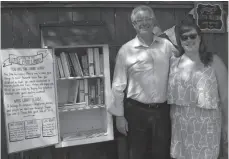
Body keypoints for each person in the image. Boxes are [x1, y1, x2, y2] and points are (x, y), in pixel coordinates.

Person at [108, 5, 179, 159]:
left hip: (162, 111)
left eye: (148, 18)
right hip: (136, 112)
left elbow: (181, 64)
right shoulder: (126, 50)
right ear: (134, 25)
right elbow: (118, 85)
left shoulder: (166, 46)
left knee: (162, 153)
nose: (144, 23)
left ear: (153, 21)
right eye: (139, 20)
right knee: (137, 153)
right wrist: (119, 116)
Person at [167, 18, 228, 159]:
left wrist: (227, 124)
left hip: (207, 127)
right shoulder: (174, 63)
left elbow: (225, 97)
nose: (189, 40)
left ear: (200, 38)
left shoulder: (214, 61)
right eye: (184, 37)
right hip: (181, 128)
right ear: (180, 41)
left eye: (193, 36)